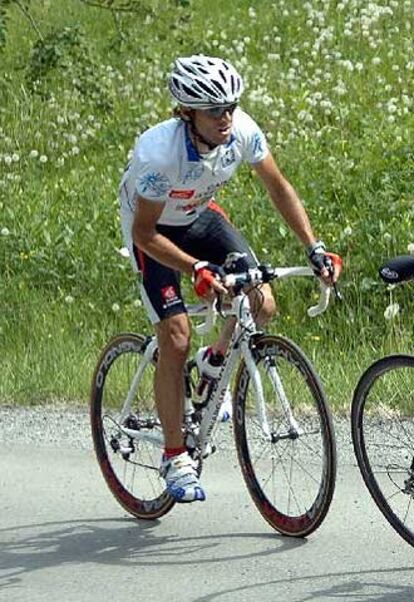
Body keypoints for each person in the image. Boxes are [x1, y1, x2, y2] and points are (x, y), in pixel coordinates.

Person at [119, 55, 341, 504]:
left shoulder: (240, 130)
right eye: (213, 110)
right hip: (154, 231)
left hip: (199, 216)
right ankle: (175, 454)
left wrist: (313, 246)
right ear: (187, 113)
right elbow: (145, 233)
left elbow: (278, 187)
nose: (225, 117)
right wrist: (196, 269)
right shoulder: (159, 155)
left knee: (261, 301)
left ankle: (214, 361)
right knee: (176, 337)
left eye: (230, 107)